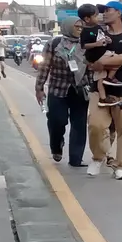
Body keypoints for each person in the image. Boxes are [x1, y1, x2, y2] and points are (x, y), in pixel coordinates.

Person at [86, 0, 122, 180]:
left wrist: (103, 62)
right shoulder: (98, 36)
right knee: (96, 125)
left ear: (120, 14)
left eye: (109, 10)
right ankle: (99, 157)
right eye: (103, 11)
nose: (104, 13)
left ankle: (120, 166)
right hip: (98, 88)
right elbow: (89, 60)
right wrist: (97, 63)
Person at [35, 17, 90, 166]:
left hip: (80, 90)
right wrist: (39, 88)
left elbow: (91, 67)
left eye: (81, 27)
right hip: (58, 89)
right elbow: (44, 67)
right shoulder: (54, 44)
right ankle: (56, 146)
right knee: (56, 120)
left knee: (79, 125)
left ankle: (76, 158)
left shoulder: (86, 44)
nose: (80, 29)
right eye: (76, 26)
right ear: (67, 27)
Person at [78, 4, 118, 107]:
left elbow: (102, 36)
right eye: (95, 16)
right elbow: (83, 45)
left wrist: (107, 40)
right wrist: (96, 44)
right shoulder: (84, 31)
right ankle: (108, 82)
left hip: (103, 54)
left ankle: (105, 90)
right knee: (115, 60)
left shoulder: (98, 27)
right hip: (95, 57)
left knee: (102, 77)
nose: (98, 17)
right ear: (87, 19)